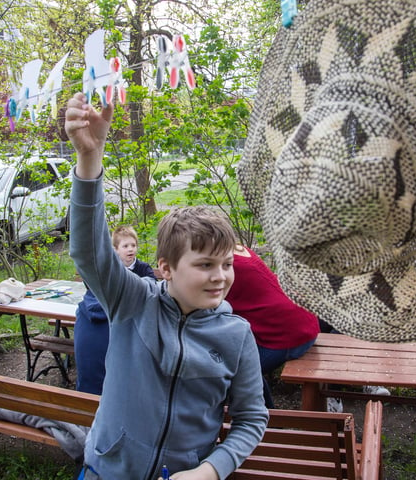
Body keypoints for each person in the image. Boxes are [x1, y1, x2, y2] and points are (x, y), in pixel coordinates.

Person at [64, 92, 268, 480]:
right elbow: (89, 254)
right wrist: (89, 160)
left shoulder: (237, 336)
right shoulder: (132, 302)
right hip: (107, 471)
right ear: (165, 269)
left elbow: (252, 418)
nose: (220, 276)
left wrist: (210, 470)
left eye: (226, 264)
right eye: (205, 264)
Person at [224, 244, 319, 409]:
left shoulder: (226, 265)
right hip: (304, 324)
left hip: (290, 336)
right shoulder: (237, 250)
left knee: (238, 372)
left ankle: (269, 425)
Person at [74, 225, 156, 395]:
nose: (130, 249)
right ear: (115, 250)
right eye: (125, 246)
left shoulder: (139, 269)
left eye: (133, 245)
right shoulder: (108, 273)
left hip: (89, 390)